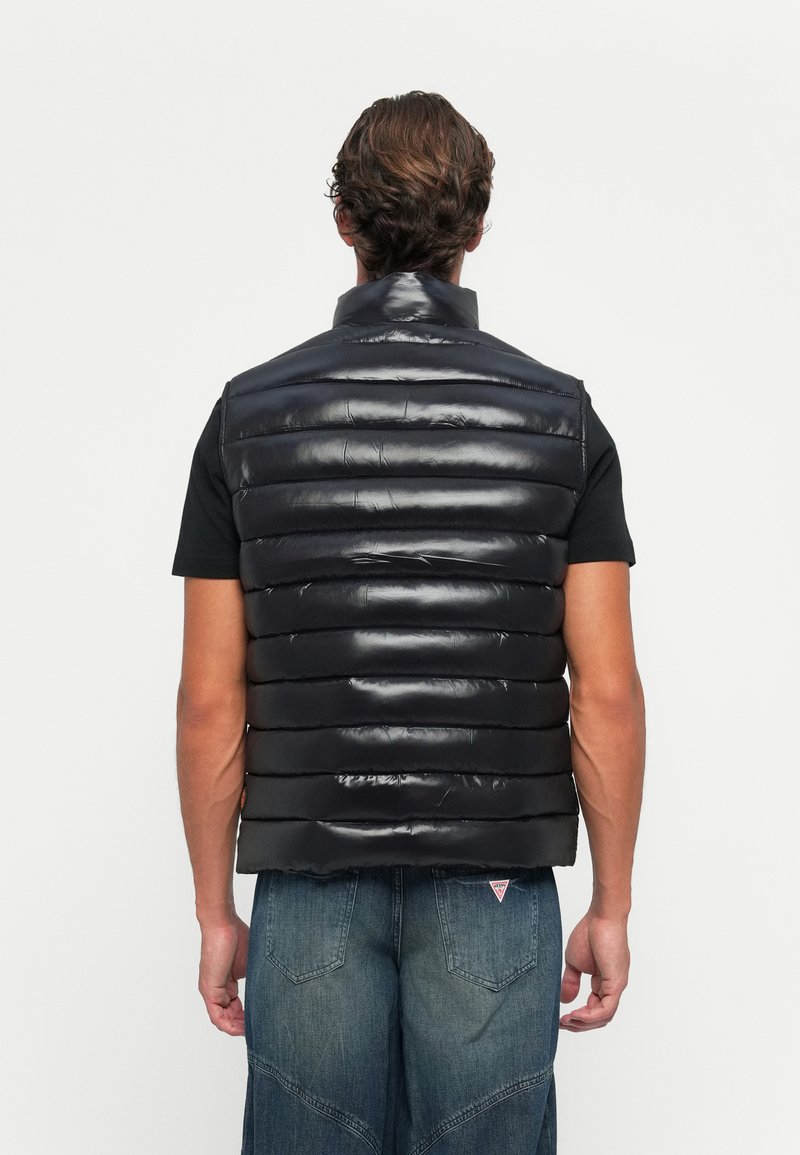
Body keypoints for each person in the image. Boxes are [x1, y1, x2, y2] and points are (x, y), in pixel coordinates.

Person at [172, 90, 646, 1155]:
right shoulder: (563, 420)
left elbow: (210, 700)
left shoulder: (245, 419)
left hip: (308, 883)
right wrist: (611, 905)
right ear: (475, 226)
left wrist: (213, 912)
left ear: (343, 219)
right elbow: (606, 691)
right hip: (495, 885)